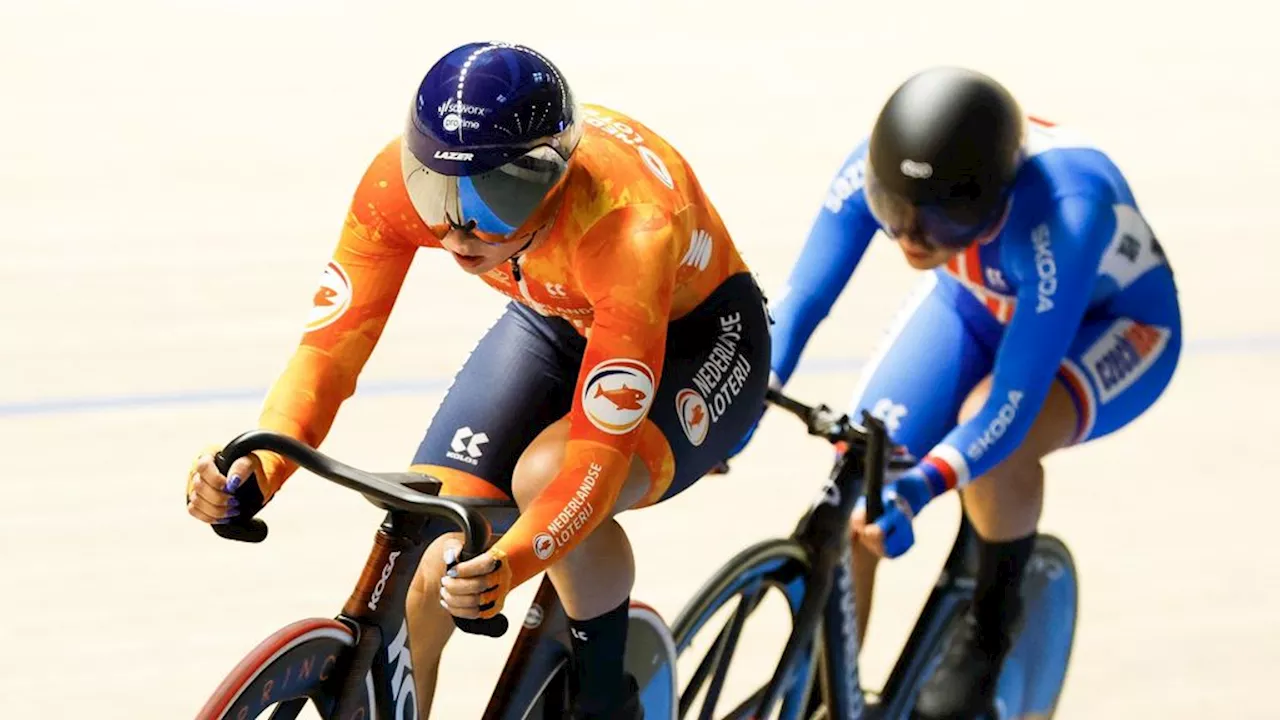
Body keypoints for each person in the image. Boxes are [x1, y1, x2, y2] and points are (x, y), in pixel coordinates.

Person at [184, 41, 770, 719]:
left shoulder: (625, 226)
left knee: (545, 477)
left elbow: (596, 463)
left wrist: (511, 563)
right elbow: (327, 355)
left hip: (699, 338)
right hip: (559, 314)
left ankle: (607, 700)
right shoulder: (396, 188)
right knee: (428, 559)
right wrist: (262, 465)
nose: (460, 227)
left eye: (498, 196)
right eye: (438, 189)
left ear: (551, 177)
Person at [730, 66, 1181, 718]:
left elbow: (1010, 405)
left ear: (993, 200)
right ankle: (832, 695)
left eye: (941, 222)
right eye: (896, 215)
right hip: (977, 304)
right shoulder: (874, 169)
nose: (912, 238)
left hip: (1112, 326)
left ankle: (990, 627)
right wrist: (748, 392)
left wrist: (922, 488)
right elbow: (800, 303)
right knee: (862, 470)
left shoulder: (1065, 214)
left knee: (990, 444)